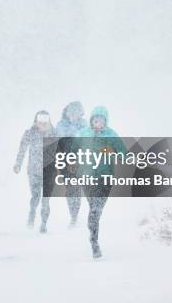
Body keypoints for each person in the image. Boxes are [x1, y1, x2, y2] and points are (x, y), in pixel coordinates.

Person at [76, 105, 126, 258]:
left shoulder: (111, 135)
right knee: (94, 208)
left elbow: (123, 154)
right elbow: (71, 150)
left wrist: (112, 152)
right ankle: (94, 241)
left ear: (105, 122)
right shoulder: (83, 134)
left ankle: (92, 230)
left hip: (105, 178)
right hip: (87, 177)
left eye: (101, 120)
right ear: (91, 120)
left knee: (97, 209)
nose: (97, 123)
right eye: (95, 120)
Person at [13, 110, 56, 233]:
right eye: (40, 120)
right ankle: (32, 213)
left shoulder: (54, 133)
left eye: (45, 120)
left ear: (49, 121)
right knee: (36, 196)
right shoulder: (30, 133)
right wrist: (18, 164)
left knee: (46, 200)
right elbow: (22, 149)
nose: (42, 123)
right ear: (36, 121)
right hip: (34, 171)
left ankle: (43, 224)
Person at [55, 101, 88, 228]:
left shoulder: (85, 126)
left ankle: (75, 215)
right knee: (70, 188)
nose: (74, 115)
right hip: (64, 162)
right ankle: (73, 214)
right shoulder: (61, 126)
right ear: (67, 113)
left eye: (76, 112)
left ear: (80, 114)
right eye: (71, 112)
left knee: (76, 187)